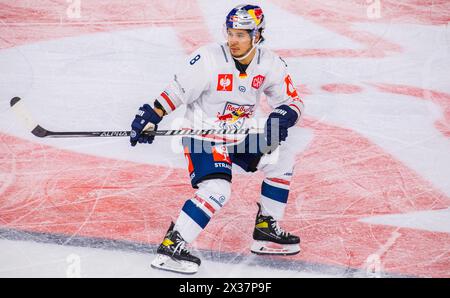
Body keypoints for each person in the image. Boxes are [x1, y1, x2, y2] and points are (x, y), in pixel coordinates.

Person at [129, 4, 305, 274]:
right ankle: (173, 243)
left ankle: (266, 228)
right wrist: (153, 114)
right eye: (230, 33)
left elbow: (292, 100)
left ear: (257, 36)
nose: (233, 40)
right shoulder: (208, 59)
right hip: (204, 137)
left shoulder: (270, 63)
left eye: (241, 35)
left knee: (283, 158)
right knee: (217, 190)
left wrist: (280, 119)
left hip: (240, 136)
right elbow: (177, 91)